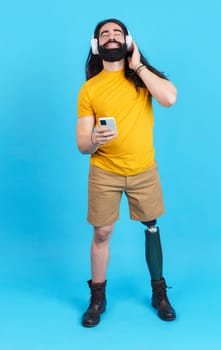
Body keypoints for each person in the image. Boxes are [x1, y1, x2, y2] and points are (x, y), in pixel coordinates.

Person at [77, 18, 177, 328]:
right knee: (102, 232)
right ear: (96, 45)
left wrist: (140, 66)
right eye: (103, 33)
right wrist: (94, 139)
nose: (110, 37)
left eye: (116, 32)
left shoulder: (142, 79)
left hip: (143, 170)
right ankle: (97, 297)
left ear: (127, 40)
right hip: (104, 171)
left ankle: (159, 293)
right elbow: (81, 143)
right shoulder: (89, 89)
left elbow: (170, 98)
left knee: (151, 227)